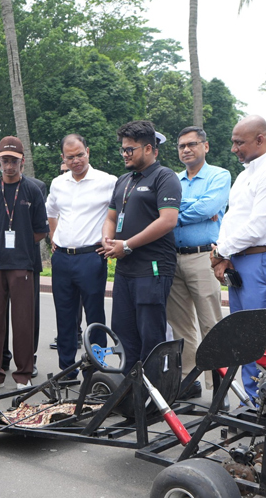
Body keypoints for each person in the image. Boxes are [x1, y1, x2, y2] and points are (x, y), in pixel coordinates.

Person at [211, 115, 266, 400]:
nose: (234, 148)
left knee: (257, 338)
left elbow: (257, 226)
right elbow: (233, 219)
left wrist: (221, 252)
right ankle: (251, 402)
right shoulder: (246, 174)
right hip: (241, 260)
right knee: (242, 337)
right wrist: (223, 256)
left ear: (261, 139)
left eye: (239, 142)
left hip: (262, 260)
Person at [101, 121, 181, 370]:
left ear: (148, 149)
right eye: (123, 149)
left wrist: (127, 244)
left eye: (130, 149)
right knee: (124, 334)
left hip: (153, 268)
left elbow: (168, 220)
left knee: (151, 338)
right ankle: (129, 397)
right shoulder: (123, 180)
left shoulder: (165, 177)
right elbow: (111, 216)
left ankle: (152, 400)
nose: (125, 154)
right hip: (125, 271)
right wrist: (107, 238)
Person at [0, 136, 47, 391]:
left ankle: (23, 374)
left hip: (22, 264)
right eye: (5, 160)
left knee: (23, 320)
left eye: (14, 161)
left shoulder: (32, 190)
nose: (9, 166)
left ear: (22, 162)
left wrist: (20, 247)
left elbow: (41, 230)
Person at [47, 135, 114, 371]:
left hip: (91, 258)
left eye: (79, 155)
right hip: (62, 258)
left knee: (94, 317)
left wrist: (110, 240)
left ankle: (97, 371)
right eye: (70, 157)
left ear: (88, 152)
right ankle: (66, 371)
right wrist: (54, 238)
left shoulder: (107, 181)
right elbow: (51, 212)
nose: (75, 160)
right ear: (63, 158)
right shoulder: (58, 183)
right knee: (64, 317)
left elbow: (119, 213)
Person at [166, 126, 228, 381]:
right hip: (173, 257)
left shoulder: (219, 175)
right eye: (182, 146)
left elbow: (210, 207)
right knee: (180, 327)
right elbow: (197, 208)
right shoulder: (173, 180)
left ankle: (219, 387)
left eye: (192, 144)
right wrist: (195, 207)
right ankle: (188, 383)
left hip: (204, 257)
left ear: (206, 146)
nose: (186, 149)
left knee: (211, 324)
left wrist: (173, 216)